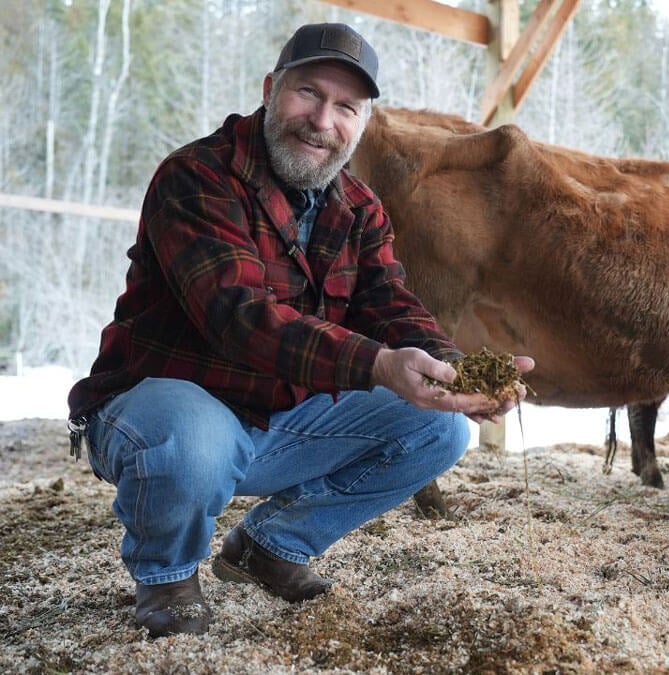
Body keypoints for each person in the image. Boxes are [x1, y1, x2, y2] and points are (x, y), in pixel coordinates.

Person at [66, 22, 533, 639]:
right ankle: (168, 575)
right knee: (195, 436)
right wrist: (377, 365)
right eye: (308, 93)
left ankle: (269, 546)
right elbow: (240, 317)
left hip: (270, 419)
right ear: (269, 90)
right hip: (165, 407)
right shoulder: (197, 178)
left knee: (437, 428)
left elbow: (390, 302)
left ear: (362, 122)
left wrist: (453, 368)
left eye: (346, 107)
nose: (322, 120)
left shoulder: (357, 205)